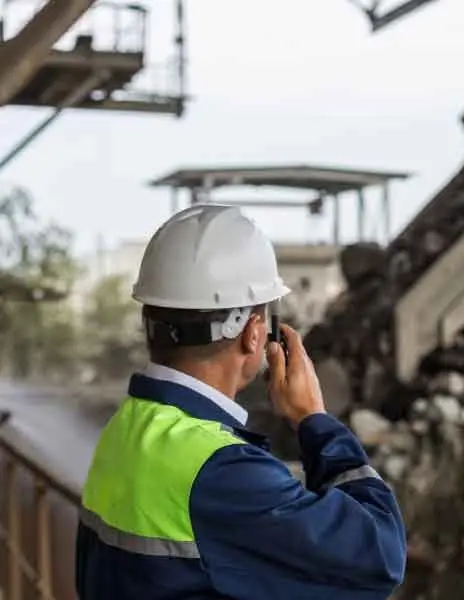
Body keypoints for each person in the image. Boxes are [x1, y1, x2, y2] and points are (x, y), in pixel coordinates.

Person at [74, 204, 407, 600]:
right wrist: (314, 421)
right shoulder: (223, 472)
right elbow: (380, 557)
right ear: (253, 333)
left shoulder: (126, 429)